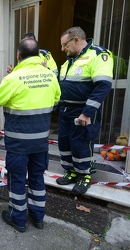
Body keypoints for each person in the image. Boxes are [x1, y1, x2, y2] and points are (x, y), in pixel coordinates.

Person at [0, 39, 61, 232]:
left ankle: (18, 219)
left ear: (19, 56)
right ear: (39, 55)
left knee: (17, 179)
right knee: (37, 178)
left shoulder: (14, 78)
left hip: (18, 144)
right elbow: (56, 101)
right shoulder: (50, 76)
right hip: (41, 143)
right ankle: (38, 218)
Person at [56, 27, 113, 195]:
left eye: (64, 45)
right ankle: (71, 172)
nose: (62, 49)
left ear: (75, 40)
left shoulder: (98, 55)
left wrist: (87, 112)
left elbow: (103, 86)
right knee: (64, 142)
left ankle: (84, 175)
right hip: (66, 109)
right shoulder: (69, 60)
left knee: (80, 143)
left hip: (83, 110)